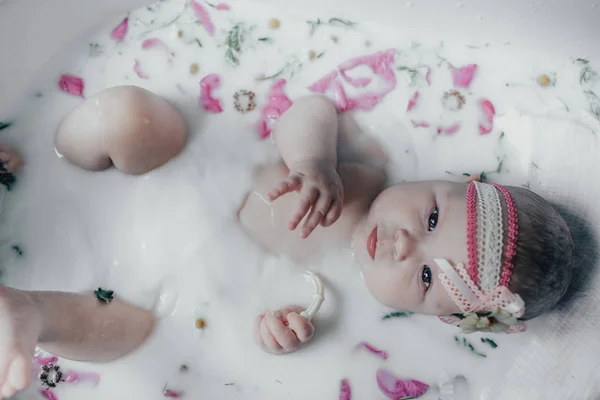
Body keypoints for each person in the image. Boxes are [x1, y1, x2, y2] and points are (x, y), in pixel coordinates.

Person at [0, 87, 574, 398]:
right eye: (428, 219)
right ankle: (57, 158)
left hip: (166, 277)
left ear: (443, 317)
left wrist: (276, 332)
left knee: (129, 330)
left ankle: (27, 313)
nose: (401, 245)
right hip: (177, 169)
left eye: (426, 278)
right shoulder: (368, 170)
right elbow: (313, 110)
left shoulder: (341, 303)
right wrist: (314, 160)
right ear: (458, 183)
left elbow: (236, 331)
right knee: (128, 117)